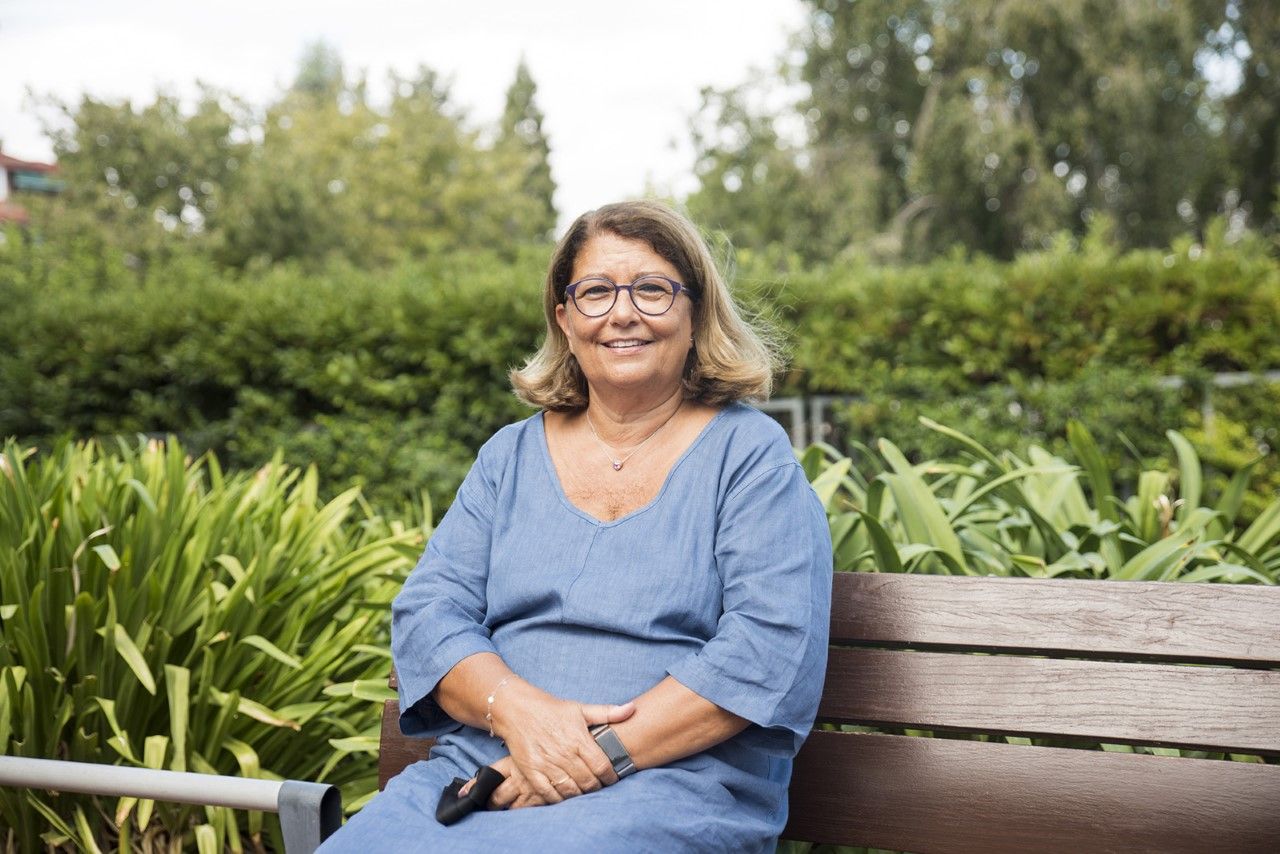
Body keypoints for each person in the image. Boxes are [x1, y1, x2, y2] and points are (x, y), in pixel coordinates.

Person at [321, 200, 832, 852]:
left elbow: (766, 650)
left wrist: (587, 757)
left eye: (652, 289)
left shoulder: (750, 457)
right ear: (564, 319)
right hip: (485, 774)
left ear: (695, 313)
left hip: (670, 785)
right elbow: (428, 615)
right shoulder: (507, 457)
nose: (623, 313)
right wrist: (525, 718)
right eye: (595, 292)